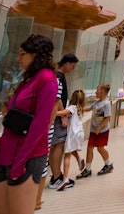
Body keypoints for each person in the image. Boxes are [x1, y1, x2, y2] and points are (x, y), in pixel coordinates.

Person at [0, 34, 58, 214]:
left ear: (36, 55)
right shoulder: (26, 81)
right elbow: (11, 123)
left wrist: (21, 161)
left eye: (23, 54)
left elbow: (40, 124)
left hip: (27, 157)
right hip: (7, 155)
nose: (18, 59)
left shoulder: (47, 79)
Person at [48, 53, 78, 190]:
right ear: (67, 64)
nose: (72, 69)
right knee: (58, 145)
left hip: (55, 114)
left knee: (56, 144)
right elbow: (57, 98)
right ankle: (56, 177)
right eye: (72, 66)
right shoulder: (58, 77)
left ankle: (56, 175)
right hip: (57, 116)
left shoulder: (57, 75)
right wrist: (62, 115)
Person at [77, 83, 113, 177]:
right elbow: (89, 108)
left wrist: (99, 128)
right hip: (93, 130)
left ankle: (108, 164)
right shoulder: (97, 102)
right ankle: (88, 169)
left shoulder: (106, 104)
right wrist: (79, 109)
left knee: (100, 148)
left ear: (102, 92)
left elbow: (107, 117)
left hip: (102, 130)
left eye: (97, 90)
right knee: (90, 148)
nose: (95, 92)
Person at [56, 89, 85, 191]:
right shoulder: (80, 109)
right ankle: (79, 158)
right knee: (71, 148)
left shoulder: (72, 108)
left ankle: (65, 179)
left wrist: (52, 111)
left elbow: (62, 112)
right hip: (80, 133)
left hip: (73, 134)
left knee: (67, 155)